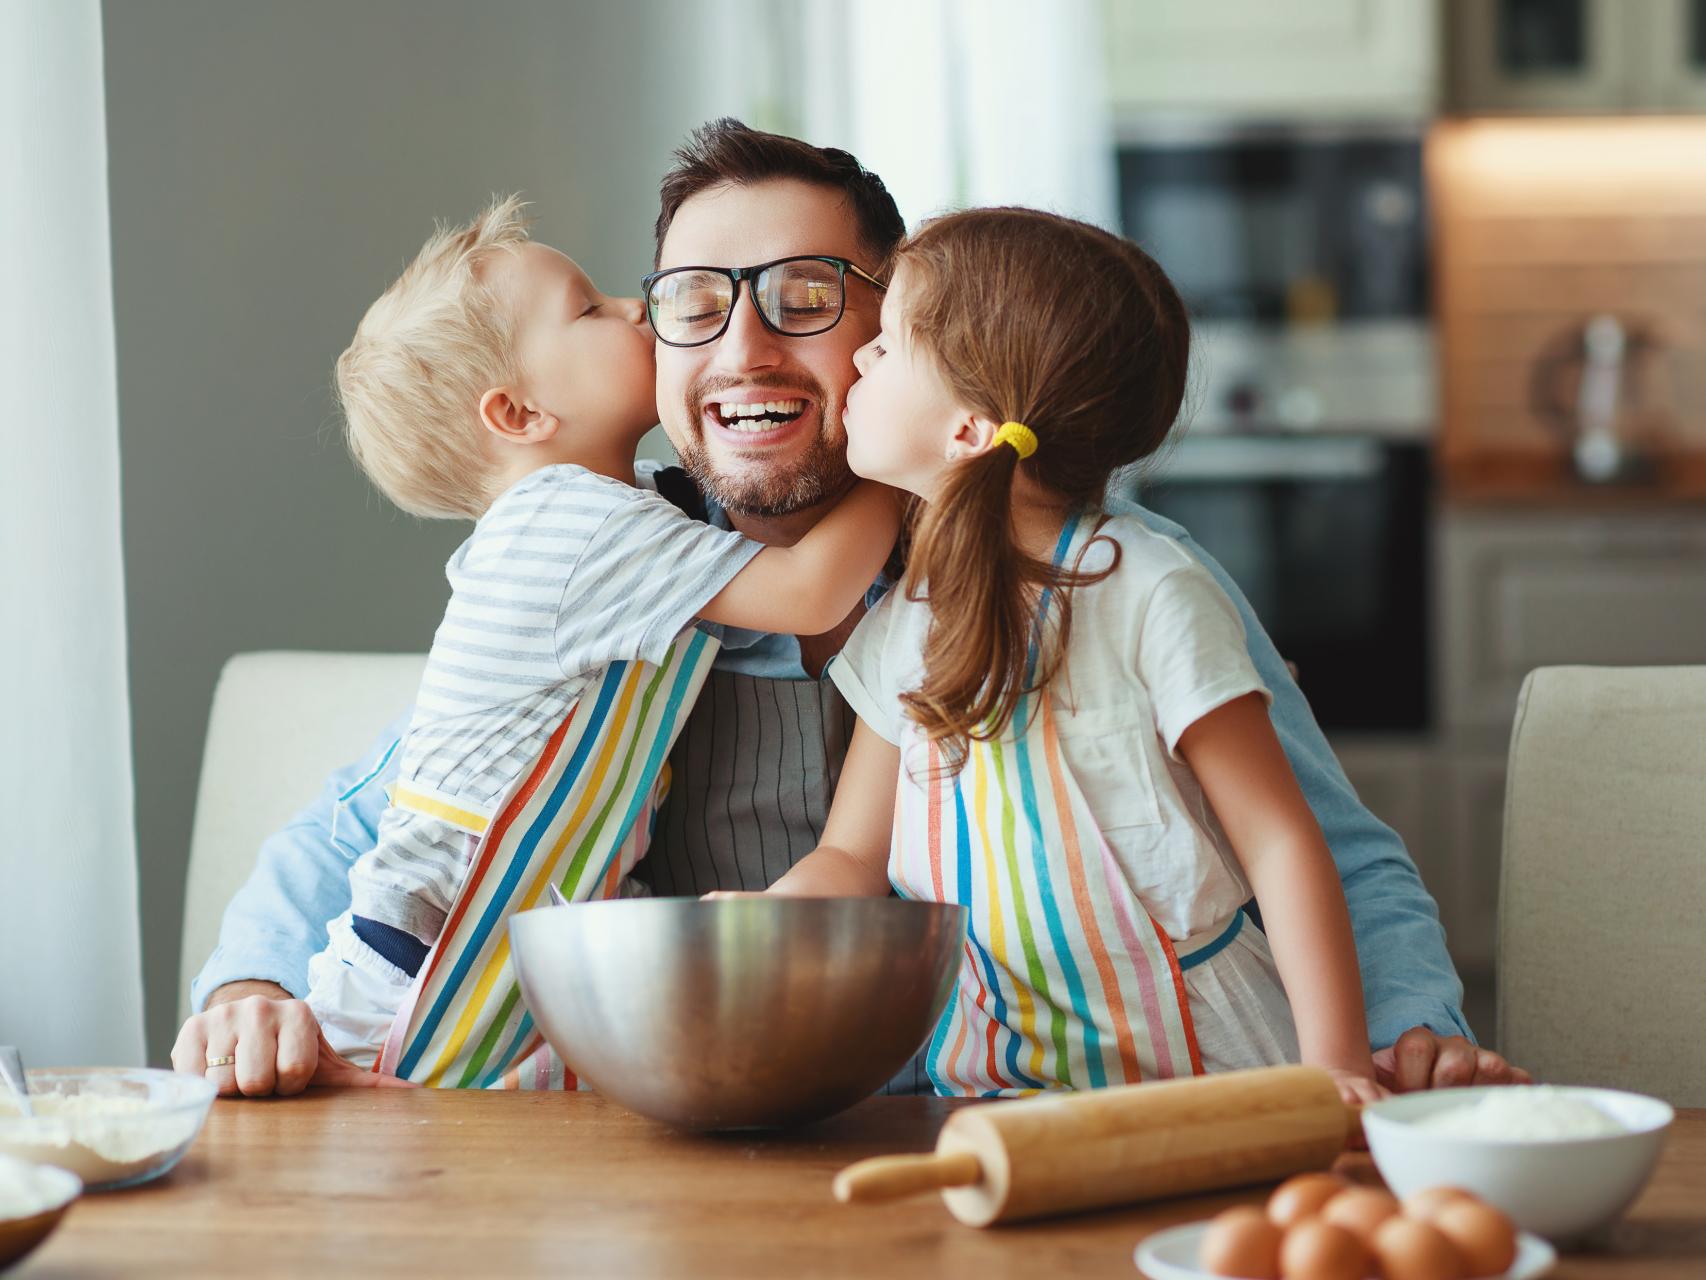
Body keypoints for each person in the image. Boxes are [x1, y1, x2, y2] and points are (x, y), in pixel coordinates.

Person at [174, 119, 1525, 1098]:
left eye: (809, 301)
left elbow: (1329, 851)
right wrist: (247, 992)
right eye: (693, 306)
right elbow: (387, 816)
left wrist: (1403, 1033)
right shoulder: (628, 582)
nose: (747, 349)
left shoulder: (1116, 579)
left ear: (918, 340)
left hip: (1036, 1121)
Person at [759, 207, 1384, 1104]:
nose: (859, 357)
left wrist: (1336, 1071)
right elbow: (853, 858)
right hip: (993, 1089)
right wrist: (765, 922)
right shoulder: (906, 622)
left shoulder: (1149, 590)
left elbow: (1282, 841)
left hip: (1211, 1079)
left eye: (888, 344)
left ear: (970, 429)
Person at [298, 193, 898, 1076]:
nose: (634, 307)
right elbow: (811, 591)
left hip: (529, 920)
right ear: (518, 414)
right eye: (589, 308)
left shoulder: (632, 512)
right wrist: (912, 454)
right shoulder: (566, 524)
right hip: (431, 939)